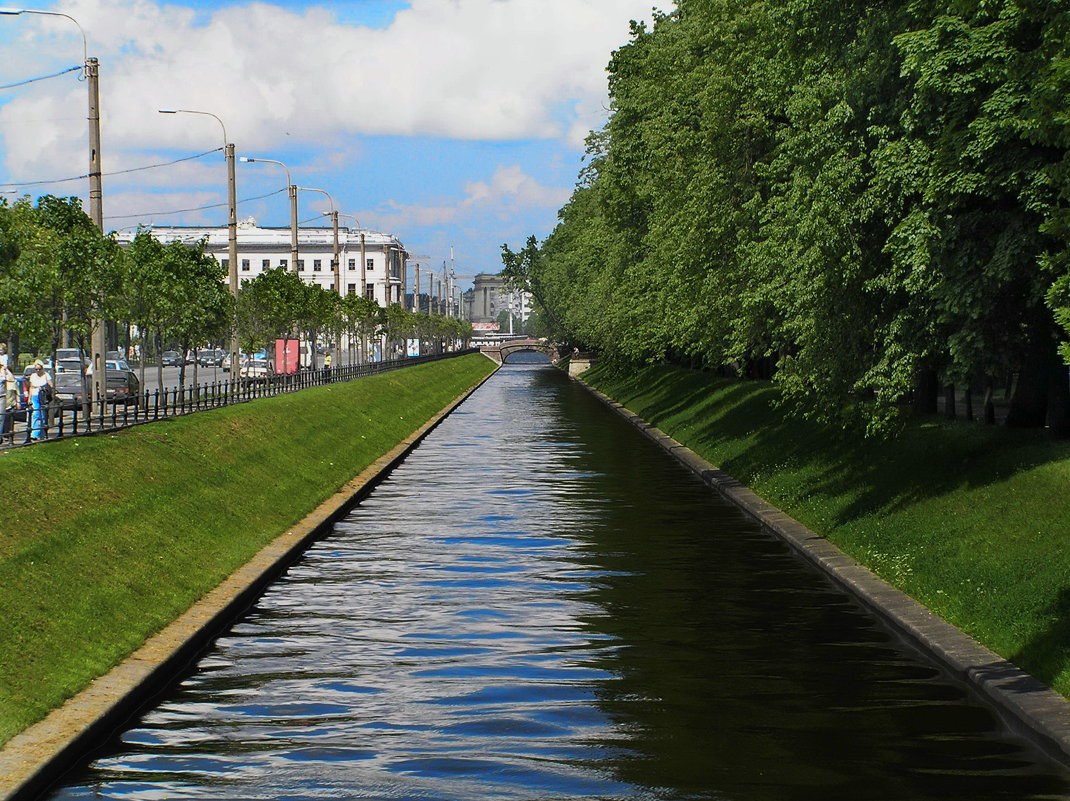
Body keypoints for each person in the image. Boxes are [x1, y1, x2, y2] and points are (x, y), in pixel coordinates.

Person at [27, 359, 53, 440]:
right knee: (35, 414)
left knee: (43, 414)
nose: (38, 371)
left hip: (43, 397)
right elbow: (31, 387)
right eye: (36, 369)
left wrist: (44, 388)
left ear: (42, 368)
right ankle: (34, 433)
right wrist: (29, 398)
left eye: (39, 369)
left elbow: (51, 385)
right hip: (35, 396)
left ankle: (43, 432)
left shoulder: (46, 375)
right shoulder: (33, 376)